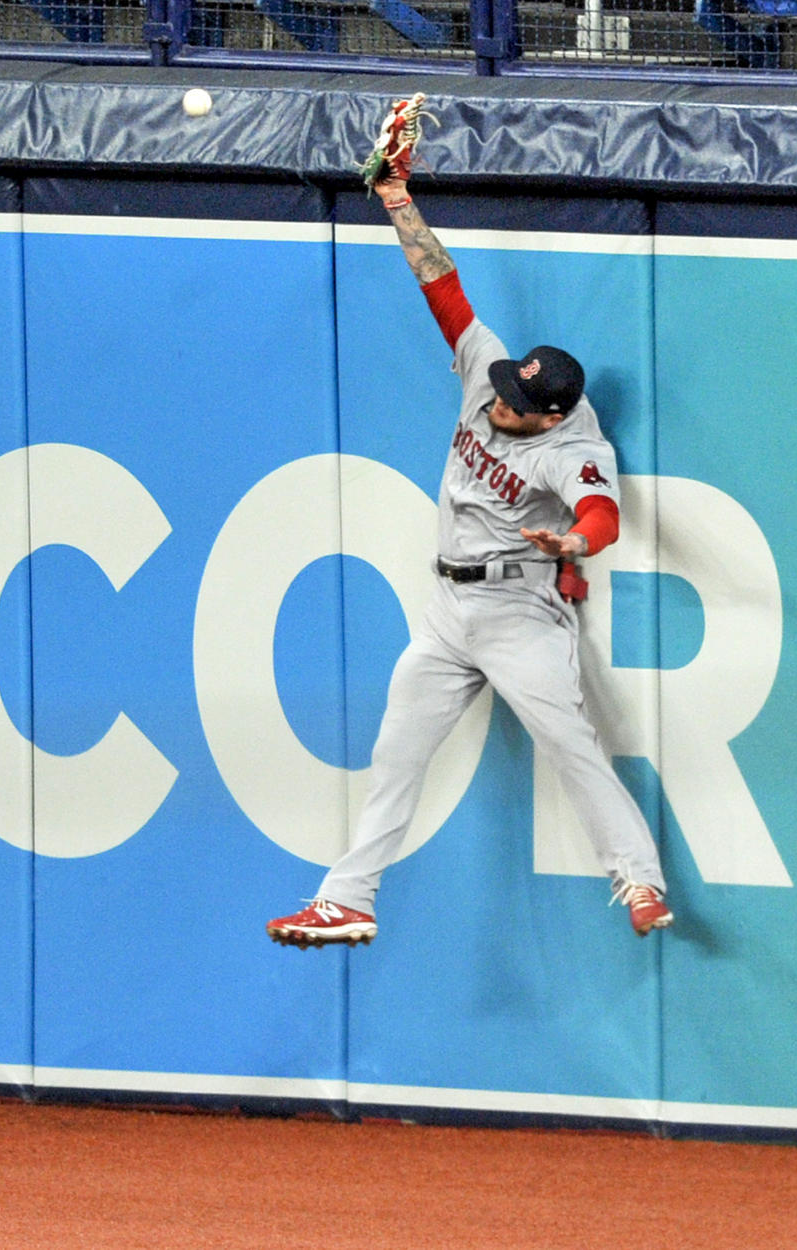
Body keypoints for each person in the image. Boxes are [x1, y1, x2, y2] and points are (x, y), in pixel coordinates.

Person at [267, 162, 672, 949]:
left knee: (569, 745)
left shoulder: (574, 447)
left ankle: (640, 878)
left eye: (517, 409)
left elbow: (600, 515)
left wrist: (576, 542)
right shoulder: (493, 373)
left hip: (520, 610)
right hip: (448, 611)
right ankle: (349, 898)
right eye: (502, 390)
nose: (497, 405)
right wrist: (396, 200)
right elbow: (443, 288)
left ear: (550, 417)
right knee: (394, 752)